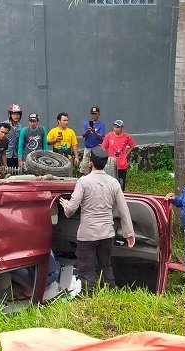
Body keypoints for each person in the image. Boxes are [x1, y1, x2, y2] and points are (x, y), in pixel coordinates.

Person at [59, 146, 135, 292]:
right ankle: (111, 294)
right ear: (105, 164)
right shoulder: (114, 183)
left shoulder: (83, 181)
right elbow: (124, 210)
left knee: (86, 270)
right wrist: (129, 233)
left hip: (88, 234)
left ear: (90, 163)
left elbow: (69, 212)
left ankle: (89, 300)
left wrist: (66, 204)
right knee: (106, 266)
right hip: (107, 233)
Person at [101, 119, 135, 190]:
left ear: (122, 128)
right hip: (111, 164)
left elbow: (132, 146)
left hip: (122, 165)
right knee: (110, 184)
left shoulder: (127, 137)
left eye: (117, 127)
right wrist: (108, 156)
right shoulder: (109, 136)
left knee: (121, 184)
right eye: (114, 127)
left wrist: (126, 155)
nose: (115, 129)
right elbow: (103, 147)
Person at [80, 106, 106, 175]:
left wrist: (94, 132)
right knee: (85, 167)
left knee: (97, 167)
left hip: (97, 148)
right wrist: (87, 130)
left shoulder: (101, 124)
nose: (94, 115)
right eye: (92, 114)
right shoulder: (86, 123)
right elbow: (83, 135)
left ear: (98, 114)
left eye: (95, 114)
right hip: (88, 148)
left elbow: (102, 137)